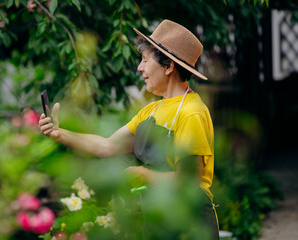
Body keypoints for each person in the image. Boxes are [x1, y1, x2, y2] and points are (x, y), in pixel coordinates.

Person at [39, 19, 219, 239]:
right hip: (158, 222)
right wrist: (60, 134)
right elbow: (107, 146)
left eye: (144, 60)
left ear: (169, 66)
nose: (139, 68)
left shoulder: (191, 112)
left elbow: (188, 182)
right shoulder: (152, 111)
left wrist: (141, 174)